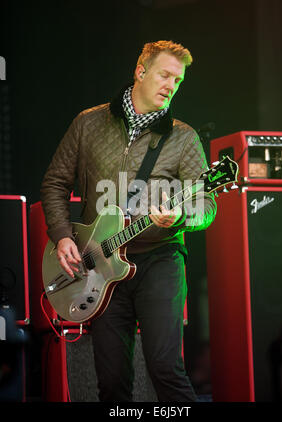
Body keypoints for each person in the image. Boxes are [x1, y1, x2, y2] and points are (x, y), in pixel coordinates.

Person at [40, 40, 217, 402]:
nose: (171, 85)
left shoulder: (183, 137)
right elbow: (55, 183)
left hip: (160, 260)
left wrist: (181, 216)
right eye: (165, 75)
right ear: (141, 72)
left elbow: (207, 205)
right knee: (111, 379)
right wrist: (61, 236)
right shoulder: (88, 123)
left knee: (166, 368)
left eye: (178, 80)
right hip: (100, 265)